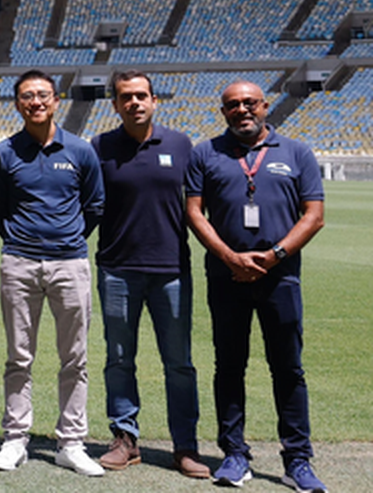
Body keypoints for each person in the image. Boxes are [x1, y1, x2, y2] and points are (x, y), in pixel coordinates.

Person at [185, 81, 327, 492]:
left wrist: (274, 256)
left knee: (288, 369)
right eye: (232, 105)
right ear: (223, 111)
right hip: (226, 277)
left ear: (265, 106)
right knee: (229, 367)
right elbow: (195, 213)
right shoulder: (205, 153)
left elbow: (313, 215)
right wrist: (231, 257)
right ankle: (234, 454)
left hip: (280, 277)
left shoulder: (297, 152)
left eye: (249, 103)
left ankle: (297, 460)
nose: (242, 110)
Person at [0, 70, 104, 477]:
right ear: (17, 104)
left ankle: (71, 442)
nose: (35, 102)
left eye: (42, 95)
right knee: (19, 355)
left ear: (56, 100)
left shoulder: (81, 151)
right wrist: (25, 240)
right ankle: (16, 438)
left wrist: (65, 241)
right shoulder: (3, 153)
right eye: (26, 96)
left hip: (70, 262)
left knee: (76, 357)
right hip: (18, 262)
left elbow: (94, 206)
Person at [90, 71, 206, 478]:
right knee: (119, 358)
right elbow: (89, 204)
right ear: (115, 104)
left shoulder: (180, 144)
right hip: (117, 269)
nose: (134, 102)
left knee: (179, 362)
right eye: (126, 97)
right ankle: (125, 438)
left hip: (170, 269)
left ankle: (185, 446)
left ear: (154, 100)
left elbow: (197, 205)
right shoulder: (101, 146)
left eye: (141, 95)